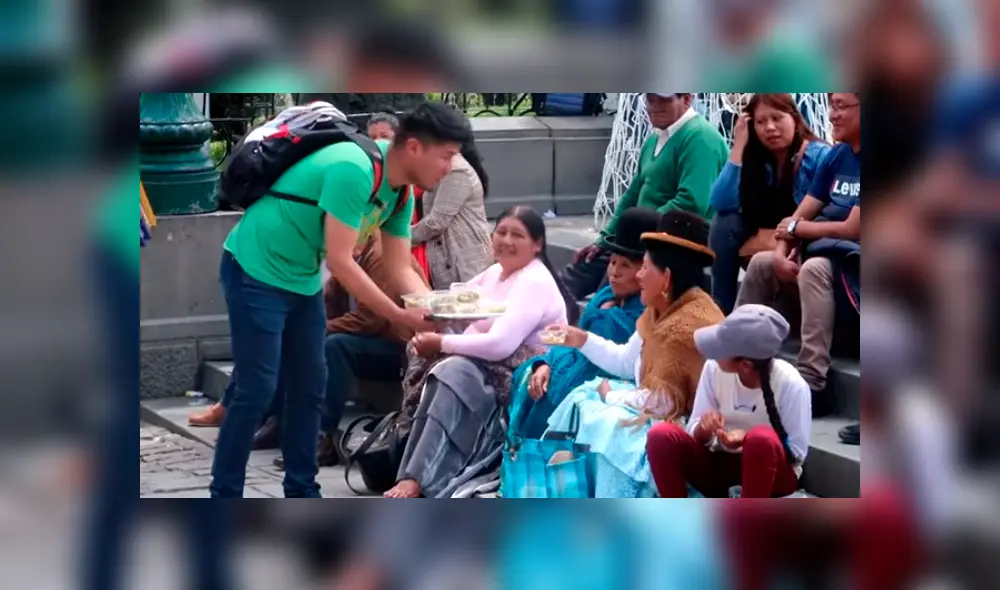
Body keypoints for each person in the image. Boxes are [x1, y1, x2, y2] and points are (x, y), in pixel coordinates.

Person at [210, 102, 472, 498]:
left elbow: (401, 267)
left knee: (310, 386)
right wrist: (400, 313)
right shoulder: (355, 168)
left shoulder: (401, 192)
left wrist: (435, 309)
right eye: (447, 156)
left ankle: (302, 491)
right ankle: (224, 493)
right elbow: (341, 261)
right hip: (255, 270)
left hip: (301, 280)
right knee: (257, 388)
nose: (449, 168)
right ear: (415, 147)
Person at [385, 207, 579, 498]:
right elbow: (456, 302)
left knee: (453, 369)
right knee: (444, 367)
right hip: (485, 368)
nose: (507, 241)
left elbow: (501, 344)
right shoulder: (496, 273)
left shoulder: (534, 281)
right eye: (501, 232)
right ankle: (415, 473)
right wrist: (431, 316)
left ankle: (418, 478)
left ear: (537, 244)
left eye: (517, 235)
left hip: (520, 380)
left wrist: (441, 344)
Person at [542, 211, 725, 497]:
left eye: (645, 267)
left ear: (665, 278)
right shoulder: (660, 310)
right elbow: (627, 362)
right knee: (581, 398)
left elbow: (663, 403)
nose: (639, 275)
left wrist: (608, 395)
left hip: (687, 430)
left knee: (607, 423)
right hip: (651, 405)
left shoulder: (687, 324)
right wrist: (581, 339)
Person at [735, 92, 861, 417]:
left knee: (814, 267)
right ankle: (738, 356)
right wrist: (779, 251)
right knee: (762, 263)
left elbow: (853, 229)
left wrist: (801, 231)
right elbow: (796, 217)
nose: (832, 114)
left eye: (842, 106)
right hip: (829, 263)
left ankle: (812, 382)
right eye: (831, 105)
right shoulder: (838, 157)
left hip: (858, 274)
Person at [270, 234, 430, 469]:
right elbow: (333, 303)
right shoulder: (346, 251)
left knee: (335, 346)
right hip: (371, 337)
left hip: (401, 347)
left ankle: (323, 438)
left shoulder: (380, 255)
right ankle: (278, 421)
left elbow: (371, 320)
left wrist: (318, 328)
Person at [560, 93, 729, 300]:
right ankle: (548, 305)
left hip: (681, 236)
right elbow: (632, 195)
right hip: (642, 234)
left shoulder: (700, 138)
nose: (654, 106)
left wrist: (637, 230)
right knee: (588, 260)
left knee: (612, 281)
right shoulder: (654, 138)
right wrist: (605, 238)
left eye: (663, 100)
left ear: (686, 99)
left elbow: (691, 203)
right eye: (650, 100)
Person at [507, 208, 655, 439]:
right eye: (613, 263)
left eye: (625, 265)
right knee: (529, 375)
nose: (614, 272)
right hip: (569, 362)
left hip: (604, 379)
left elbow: (618, 358)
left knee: (559, 396)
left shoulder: (647, 313)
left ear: (645, 270)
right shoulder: (605, 294)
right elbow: (570, 337)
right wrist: (545, 363)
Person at [646, 304, 811, 498]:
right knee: (661, 434)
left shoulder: (791, 383)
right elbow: (694, 430)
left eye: (720, 349)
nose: (713, 355)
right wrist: (704, 430)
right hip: (719, 465)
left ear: (745, 365)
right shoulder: (712, 369)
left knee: (760, 439)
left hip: (771, 474)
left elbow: (797, 454)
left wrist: (746, 439)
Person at [709, 93, 831, 314]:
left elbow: (828, 211)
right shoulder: (755, 158)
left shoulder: (819, 156)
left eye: (777, 118)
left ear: (794, 118)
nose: (770, 127)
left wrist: (791, 236)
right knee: (724, 222)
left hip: (803, 239)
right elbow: (720, 202)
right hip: (763, 238)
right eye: (761, 122)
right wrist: (738, 149)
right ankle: (721, 309)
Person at [411, 135, 493, 289]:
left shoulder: (456, 170)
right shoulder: (439, 166)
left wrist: (397, 239)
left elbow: (436, 222)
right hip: (448, 258)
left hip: (465, 260)